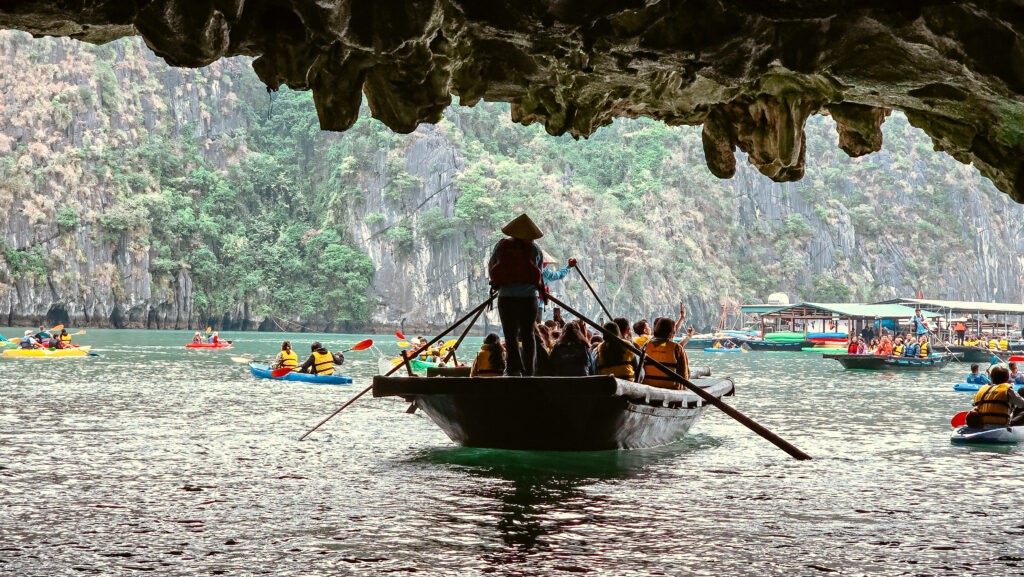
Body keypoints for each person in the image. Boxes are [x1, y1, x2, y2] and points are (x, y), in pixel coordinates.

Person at [488, 213, 547, 376]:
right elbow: (539, 272)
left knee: (510, 334)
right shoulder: (535, 249)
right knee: (528, 334)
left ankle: (514, 370)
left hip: (506, 296)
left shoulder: (501, 246)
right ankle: (530, 371)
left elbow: (493, 265)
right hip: (528, 298)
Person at [639, 317, 693, 389]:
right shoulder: (677, 347)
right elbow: (684, 375)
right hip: (671, 388)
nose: (674, 332)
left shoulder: (646, 345)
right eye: (673, 330)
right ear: (671, 332)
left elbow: (640, 368)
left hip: (648, 386)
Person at [536, 252, 575, 322]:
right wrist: (569, 266)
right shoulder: (545, 272)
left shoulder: (524, 271)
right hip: (537, 304)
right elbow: (559, 275)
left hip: (522, 301)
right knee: (536, 326)